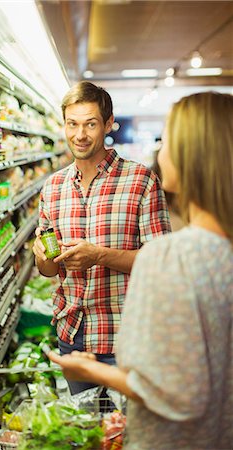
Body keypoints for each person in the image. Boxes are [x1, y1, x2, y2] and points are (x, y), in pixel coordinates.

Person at [48, 91, 233, 449]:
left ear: (190, 157)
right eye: (72, 123)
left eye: (169, 139)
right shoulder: (217, 252)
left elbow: (173, 392)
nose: (160, 151)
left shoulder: (170, 258)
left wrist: (91, 371)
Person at [33, 81, 171, 395]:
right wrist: (43, 259)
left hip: (126, 337)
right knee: (86, 434)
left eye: (90, 124)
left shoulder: (140, 181)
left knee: (127, 435)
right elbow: (49, 270)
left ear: (108, 124)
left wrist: (100, 255)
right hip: (73, 337)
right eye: (73, 124)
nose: (79, 134)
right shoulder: (53, 188)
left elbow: (161, 263)